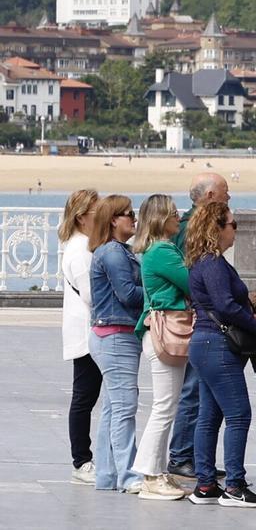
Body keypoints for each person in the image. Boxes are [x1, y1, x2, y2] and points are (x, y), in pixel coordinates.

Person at [184, 202, 256, 509]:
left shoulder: (202, 262)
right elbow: (225, 305)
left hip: (204, 343)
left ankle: (206, 484)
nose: (235, 229)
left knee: (209, 416)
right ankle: (234, 485)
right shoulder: (213, 264)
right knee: (238, 414)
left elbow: (221, 305)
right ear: (216, 229)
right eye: (232, 224)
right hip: (216, 345)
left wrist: (248, 316)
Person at [169, 172, 231, 481]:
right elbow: (190, 274)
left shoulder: (188, 225)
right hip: (197, 318)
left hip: (199, 316)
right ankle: (181, 454)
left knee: (202, 390)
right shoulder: (191, 226)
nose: (229, 198)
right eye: (225, 192)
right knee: (193, 389)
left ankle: (194, 456)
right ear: (209, 196)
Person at [131, 195, 190, 501]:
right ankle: (151, 475)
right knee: (165, 406)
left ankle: (155, 470)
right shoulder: (163, 251)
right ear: (161, 219)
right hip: (166, 330)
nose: (179, 218)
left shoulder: (154, 249)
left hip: (158, 331)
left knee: (166, 405)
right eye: (174, 214)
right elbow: (191, 282)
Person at [88, 194, 144, 494]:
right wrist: (161, 292)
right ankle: (129, 475)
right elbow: (128, 295)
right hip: (115, 336)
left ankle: (107, 474)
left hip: (112, 335)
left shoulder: (119, 250)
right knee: (124, 406)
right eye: (129, 214)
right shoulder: (113, 252)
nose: (134, 219)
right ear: (113, 220)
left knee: (113, 406)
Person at [60, 188, 100, 485]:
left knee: (87, 396)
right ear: (81, 217)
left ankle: (85, 458)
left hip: (87, 331)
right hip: (88, 333)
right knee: (84, 397)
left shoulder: (83, 246)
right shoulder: (80, 250)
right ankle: (82, 460)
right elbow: (91, 294)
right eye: (98, 212)